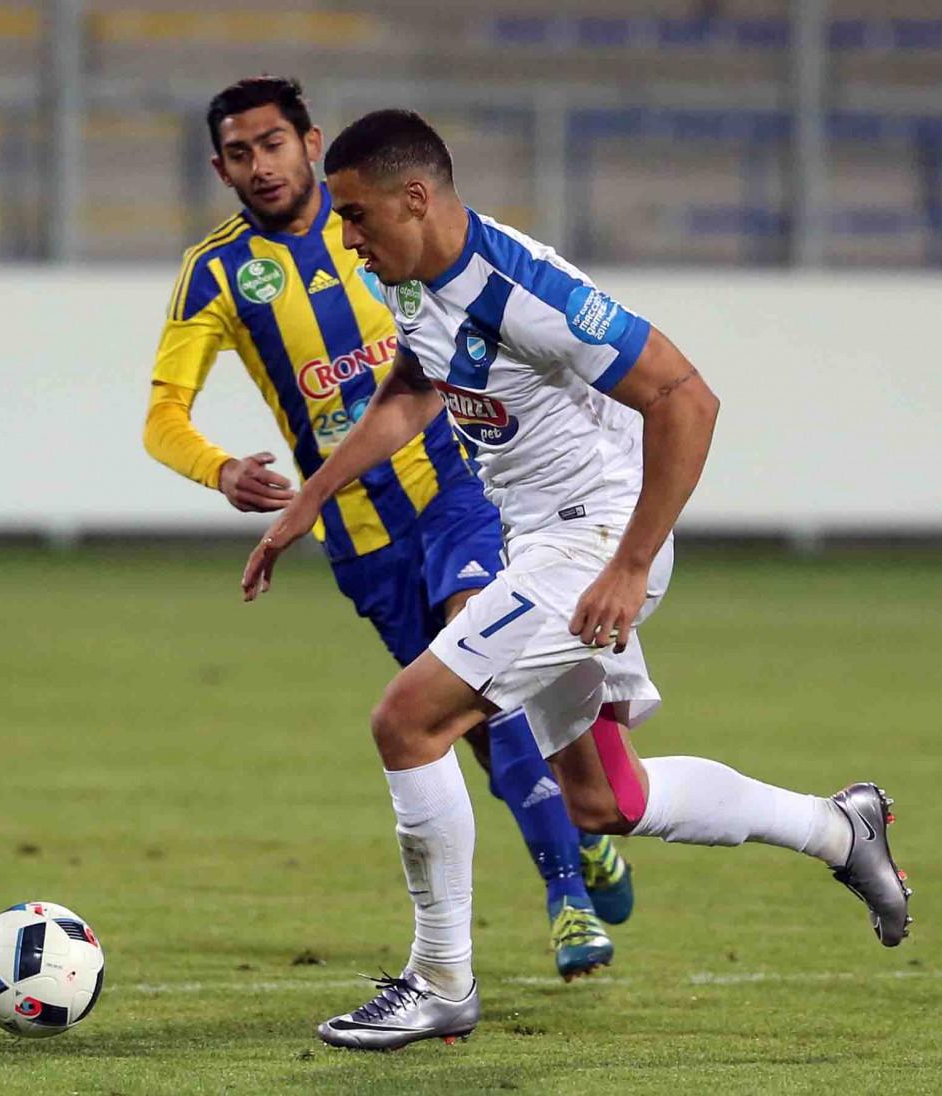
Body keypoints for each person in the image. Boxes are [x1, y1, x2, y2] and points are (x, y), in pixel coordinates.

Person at [242, 108, 913, 1051]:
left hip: (595, 542)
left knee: (408, 721)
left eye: (355, 216)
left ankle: (440, 981)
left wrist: (628, 565)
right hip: (542, 544)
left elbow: (687, 398)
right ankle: (840, 830)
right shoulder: (416, 282)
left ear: (416, 197)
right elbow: (413, 388)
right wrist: (312, 497)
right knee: (603, 799)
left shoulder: (524, 289)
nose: (346, 239)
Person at [143, 77, 637, 981]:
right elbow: (161, 417)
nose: (261, 166)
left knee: (478, 649)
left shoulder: (373, 222)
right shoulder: (214, 273)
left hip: (456, 488)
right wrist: (219, 468)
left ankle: (566, 894)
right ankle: (577, 830)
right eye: (241, 154)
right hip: (360, 535)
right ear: (220, 169)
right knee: (462, 723)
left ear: (309, 142)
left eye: (273, 143)